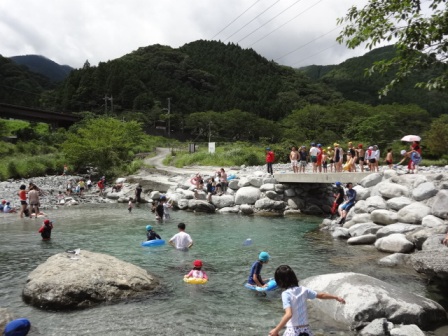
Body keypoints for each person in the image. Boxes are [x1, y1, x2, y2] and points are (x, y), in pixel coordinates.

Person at [269, 265, 346, 336]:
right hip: (306, 330)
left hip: (293, 331)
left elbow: (289, 314)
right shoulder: (303, 290)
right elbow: (321, 295)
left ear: (280, 281)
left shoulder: (286, 294)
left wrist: (276, 330)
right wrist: (336, 297)